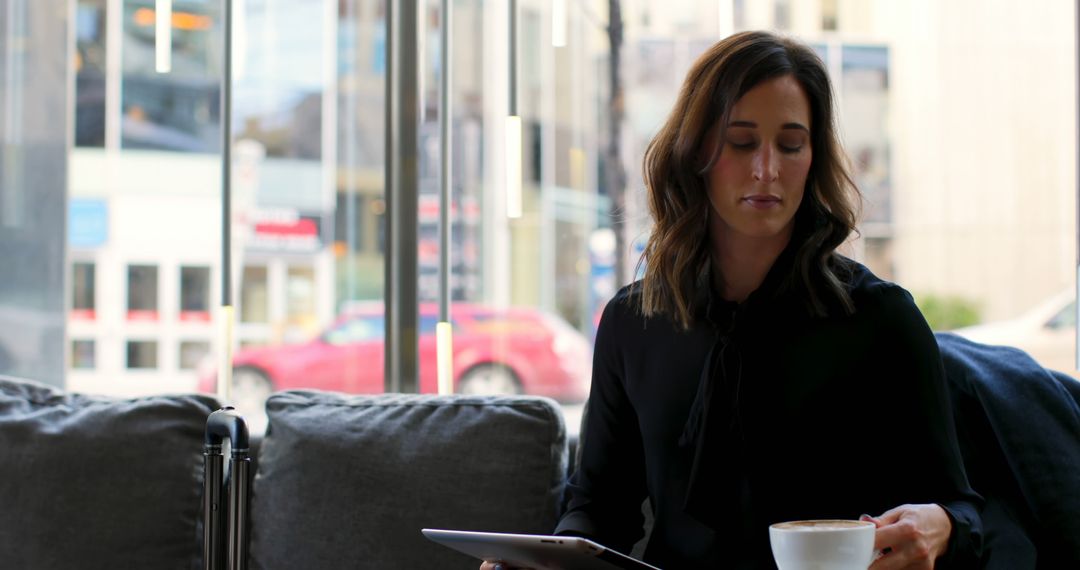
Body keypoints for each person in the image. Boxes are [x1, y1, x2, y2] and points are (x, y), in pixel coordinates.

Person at [483, 30, 982, 569]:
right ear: (695, 152)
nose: (767, 169)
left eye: (791, 145)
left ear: (813, 158)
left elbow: (963, 512)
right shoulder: (634, 322)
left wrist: (941, 527)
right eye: (741, 142)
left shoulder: (880, 320)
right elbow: (600, 506)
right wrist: (542, 561)